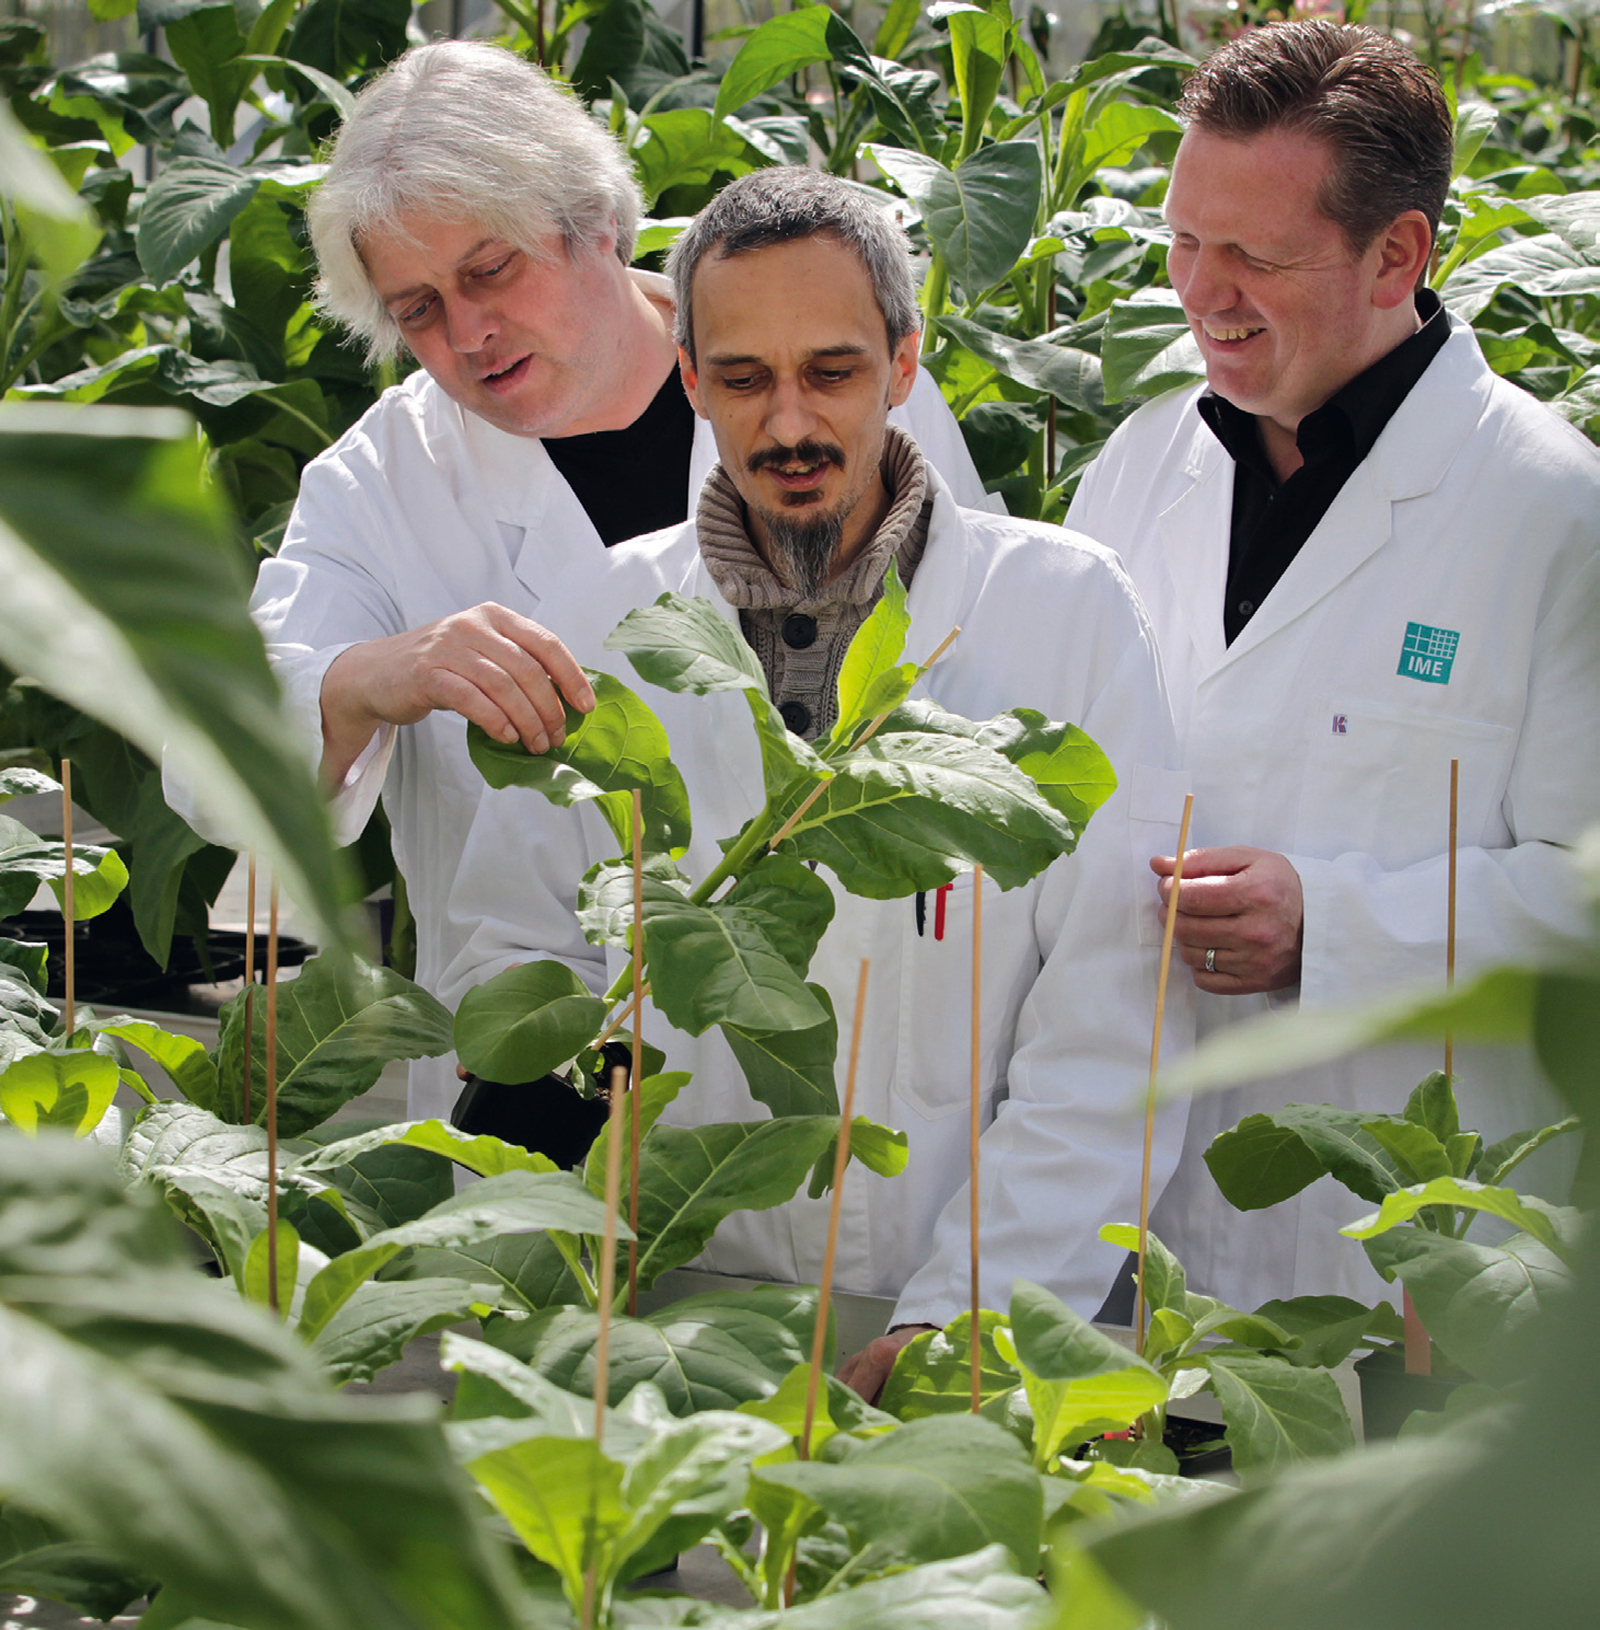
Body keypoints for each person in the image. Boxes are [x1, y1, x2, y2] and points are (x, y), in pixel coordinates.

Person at [442, 168, 1193, 1397]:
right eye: (742, 379)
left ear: (905, 364)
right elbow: (519, 960)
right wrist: (574, 1275)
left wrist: (960, 1317)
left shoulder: (1067, 610)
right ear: (689, 380)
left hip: (954, 1320)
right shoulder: (603, 614)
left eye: (831, 372)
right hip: (669, 1320)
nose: (788, 422)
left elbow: (1116, 1026)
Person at [167, 41, 994, 1124]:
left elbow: (972, 665)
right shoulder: (380, 484)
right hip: (542, 1082)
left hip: (850, 1051)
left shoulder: (831, 377)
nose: (465, 335)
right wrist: (369, 676)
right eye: (416, 309)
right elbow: (208, 753)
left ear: (594, 220)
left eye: (489, 270)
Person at [1066, 20, 1600, 1309]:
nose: (1202, 289)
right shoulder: (1139, 466)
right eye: (1187, 240)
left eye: (1255, 254)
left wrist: (1336, 922)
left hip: (1405, 1277)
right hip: (1115, 1229)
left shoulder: (1553, 518)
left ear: (1395, 253)